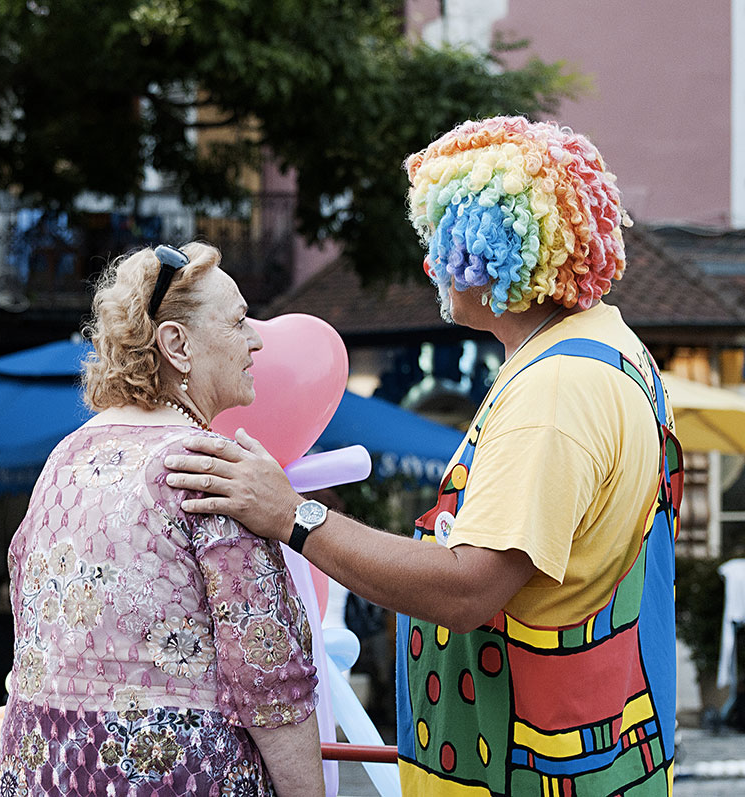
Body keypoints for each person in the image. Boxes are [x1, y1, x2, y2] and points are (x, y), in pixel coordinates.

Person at [164, 117, 684, 795]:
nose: (433, 265)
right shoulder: (613, 353)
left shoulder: (554, 391)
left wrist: (292, 515)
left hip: (529, 771)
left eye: (446, 240)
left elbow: (468, 588)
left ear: (495, 252)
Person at [0, 242, 325, 797]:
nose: (256, 339)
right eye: (239, 321)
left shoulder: (64, 458)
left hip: (44, 773)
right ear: (176, 344)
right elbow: (268, 674)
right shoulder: (208, 467)